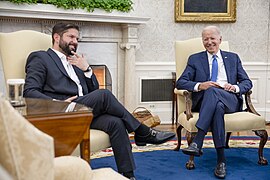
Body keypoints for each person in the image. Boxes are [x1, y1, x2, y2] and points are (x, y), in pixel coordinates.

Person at [23, 22, 175, 180]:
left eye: (77, 38)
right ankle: (142, 132)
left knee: (116, 123)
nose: (75, 41)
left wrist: (87, 69)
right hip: (62, 113)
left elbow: (92, 91)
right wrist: (58, 103)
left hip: (82, 113)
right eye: (71, 36)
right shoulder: (40, 57)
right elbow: (29, 92)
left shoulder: (76, 63)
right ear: (56, 37)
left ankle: (128, 175)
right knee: (104, 95)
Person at [176, 26, 252, 178]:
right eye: (206, 39)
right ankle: (221, 161)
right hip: (206, 101)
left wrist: (235, 87)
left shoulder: (233, 58)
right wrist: (199, 85)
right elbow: (181, 82)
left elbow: (247, 82)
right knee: (216, 104)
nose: (209, 42)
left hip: (230, 99)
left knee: (214, 94)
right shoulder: (195, 59)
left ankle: (198, 141)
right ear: (202, 41)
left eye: (213, 38)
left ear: (220, 40)